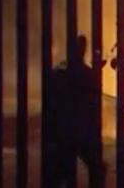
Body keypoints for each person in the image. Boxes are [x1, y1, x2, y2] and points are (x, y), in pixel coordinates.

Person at [48, 35, 105, 187]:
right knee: (93, 168)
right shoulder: (87, 73)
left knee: (62, 171)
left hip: (68, 129)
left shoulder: (60, 73)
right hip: (78, 130)